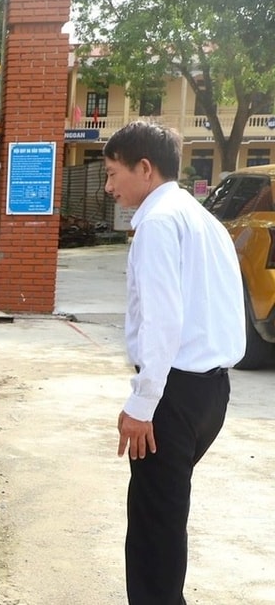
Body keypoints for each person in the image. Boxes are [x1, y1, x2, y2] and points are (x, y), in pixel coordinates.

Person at [102, 121, 245, 605]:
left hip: (173, 395)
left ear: (145, 168)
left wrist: (142, 404)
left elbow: (162, 322)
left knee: (153, 533)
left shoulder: (159, 223)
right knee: (162, 520)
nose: (108, 186)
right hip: (210, 392)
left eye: (113, 172)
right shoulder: (201, 218)